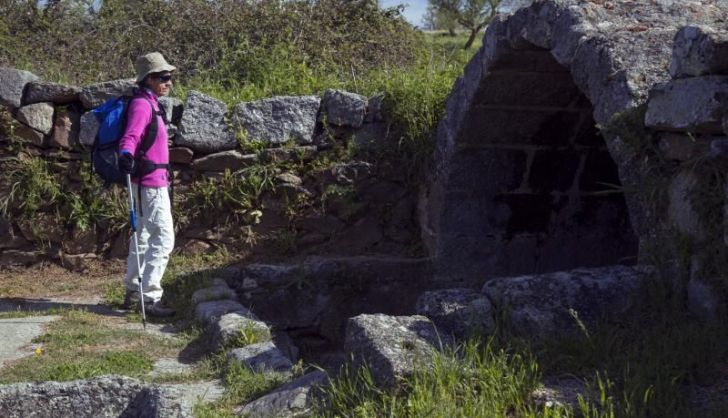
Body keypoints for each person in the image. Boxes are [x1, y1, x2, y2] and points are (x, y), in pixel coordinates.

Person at [119, 52, 176, 317]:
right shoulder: (143, 105)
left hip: (149, 179)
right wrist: (126, 155)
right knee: (163, 238)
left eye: (170, 77)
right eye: (163, 77)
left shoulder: (151, 103)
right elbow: (131, 135)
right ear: (149, 79)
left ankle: (133, 291)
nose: (169, 82)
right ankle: (150, 297)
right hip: (151, 182)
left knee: (141, 235)